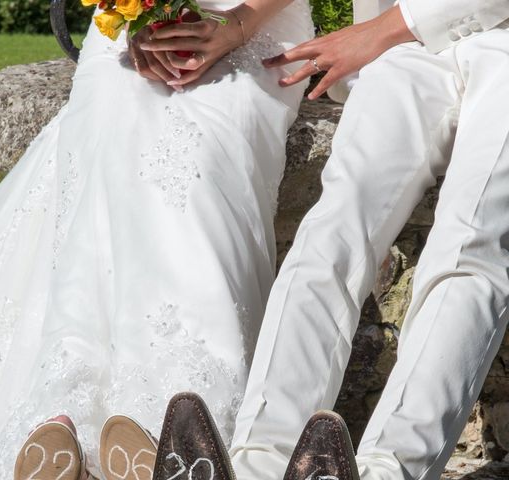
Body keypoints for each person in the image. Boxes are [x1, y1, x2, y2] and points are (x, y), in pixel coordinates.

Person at [0, 0, 315, 478]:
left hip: (260, 29)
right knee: (108, 130)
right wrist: (136, 20)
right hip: (128, 36)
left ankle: (173, 413)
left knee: (194, 163)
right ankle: (63, 406)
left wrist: (238, 24)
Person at [141, 2, 509, 480]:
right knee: (334, 226)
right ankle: (259, 465)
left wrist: (384, 28)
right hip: (410, 46)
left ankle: (389, 469)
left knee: (470, 246)